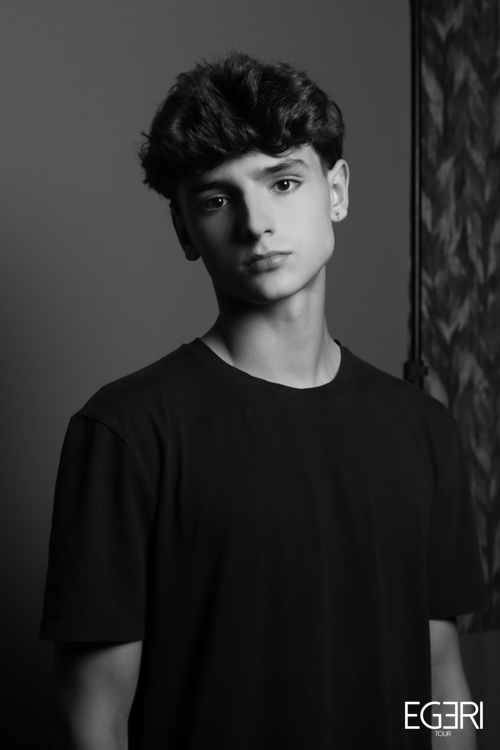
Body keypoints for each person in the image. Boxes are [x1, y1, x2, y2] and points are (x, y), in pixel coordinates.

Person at [40, 51, 488, 750]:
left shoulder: (425, 429)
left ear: (336, 191)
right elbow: (95, 717)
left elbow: (442, 679)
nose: (256, 223)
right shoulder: (126, 431)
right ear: (185, 230)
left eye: (283, 181)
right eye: (216, 200)